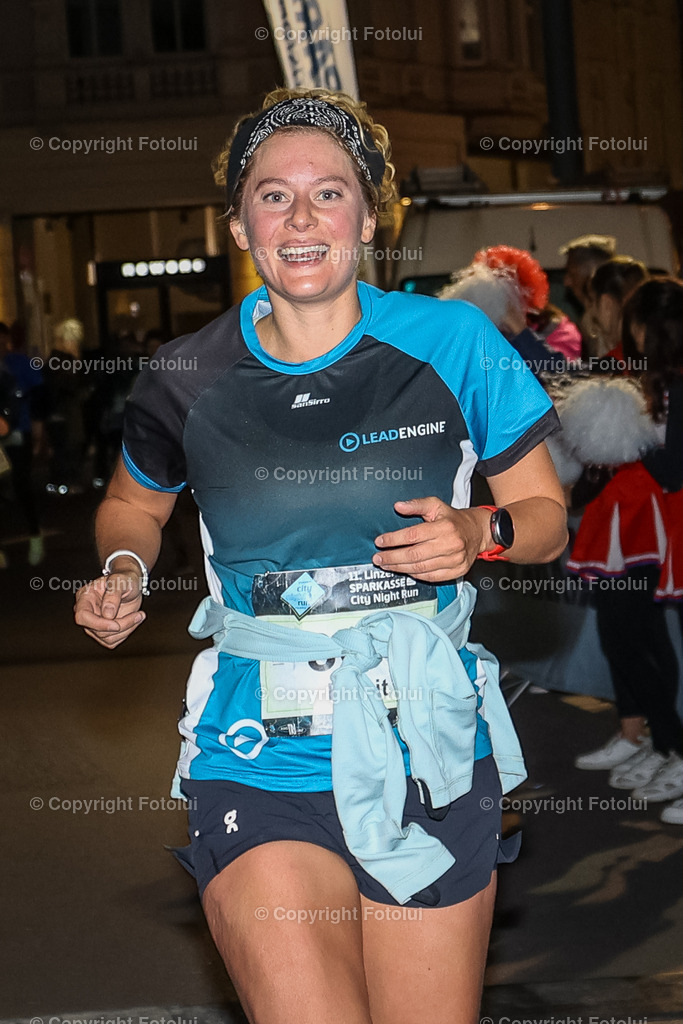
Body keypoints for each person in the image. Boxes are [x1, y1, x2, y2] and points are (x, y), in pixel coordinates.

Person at [73, 87, 567, 1024]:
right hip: (259, 751)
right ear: (238, 225)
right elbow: (132, 503)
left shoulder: (455, 342)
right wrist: (125, 568)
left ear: (371, 217)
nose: (301, 217)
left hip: (425, 739)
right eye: (272, 195)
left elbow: (545, 515)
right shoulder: (186, 375)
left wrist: (478, 532)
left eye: (329, 192)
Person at [569, 278, 683, 816]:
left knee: (641, 639)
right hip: (648, 526)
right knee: (627, 636)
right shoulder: (649, 377)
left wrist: (629, 429)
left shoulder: (670, 382)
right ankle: (664, 743)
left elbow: (672, 468)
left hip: (656, 526)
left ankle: (670, 744)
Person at [0, 322, 44, 564]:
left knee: (22, 484)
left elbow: (39, 399)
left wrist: (38, 431)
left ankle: (35, 537)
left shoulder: (21, 364)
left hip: (19, 432)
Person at [584, 256, 648, 365]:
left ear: (606, 304)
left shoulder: (612, 366)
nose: (592, 312)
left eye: (593, 301)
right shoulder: (665, 351)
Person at [560, 234, 617, 355]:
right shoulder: (589, 321)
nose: (566, 282)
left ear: (593, 271)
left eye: (572, 273)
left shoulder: (613, 319)